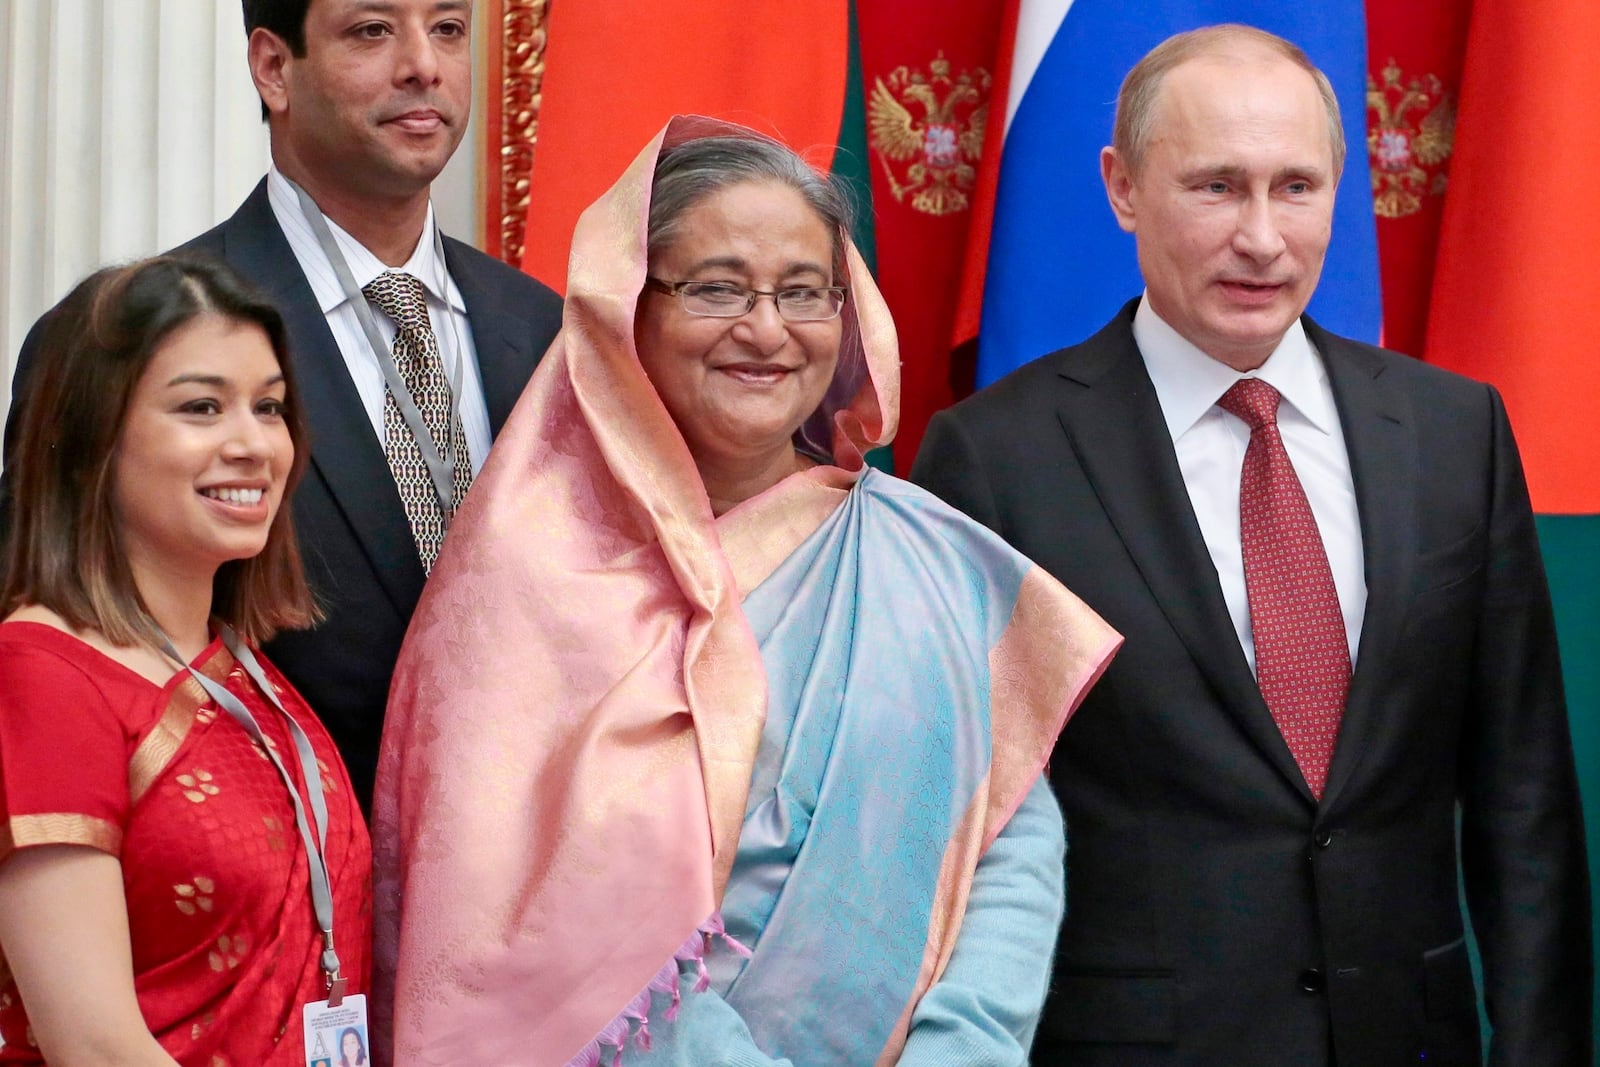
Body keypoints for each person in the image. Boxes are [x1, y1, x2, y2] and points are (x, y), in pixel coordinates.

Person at [369, 118, 1120, 1065]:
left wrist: (962, 1047)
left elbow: (1005, 835)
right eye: (718, 287)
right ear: (627, 310)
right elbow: (514, 924)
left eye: (804, 293)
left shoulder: (922, 557)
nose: (766, 330)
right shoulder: (523, 580)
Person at [912, 23, 1592, 1067]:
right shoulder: (994, 458)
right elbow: (948, 823)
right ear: (1123, 186)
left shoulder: (1456, 434)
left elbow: (1523, 798)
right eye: (1217, 187)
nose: (1263, 238)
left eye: (1296, 187)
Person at [1, 0, 563, 811]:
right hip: (263, 885)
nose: (424, 67)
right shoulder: (125, 339)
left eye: (447, 29)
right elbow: (54, 655)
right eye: (372, 31)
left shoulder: (545, 331)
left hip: (527, 888)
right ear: (273, 68)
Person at [0, 256, 370, 1065]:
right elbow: (92, 1043)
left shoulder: (236, 666)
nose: (253, 443)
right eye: (201, 406)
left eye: (268, 406)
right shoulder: (43, 674)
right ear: (89, 435)